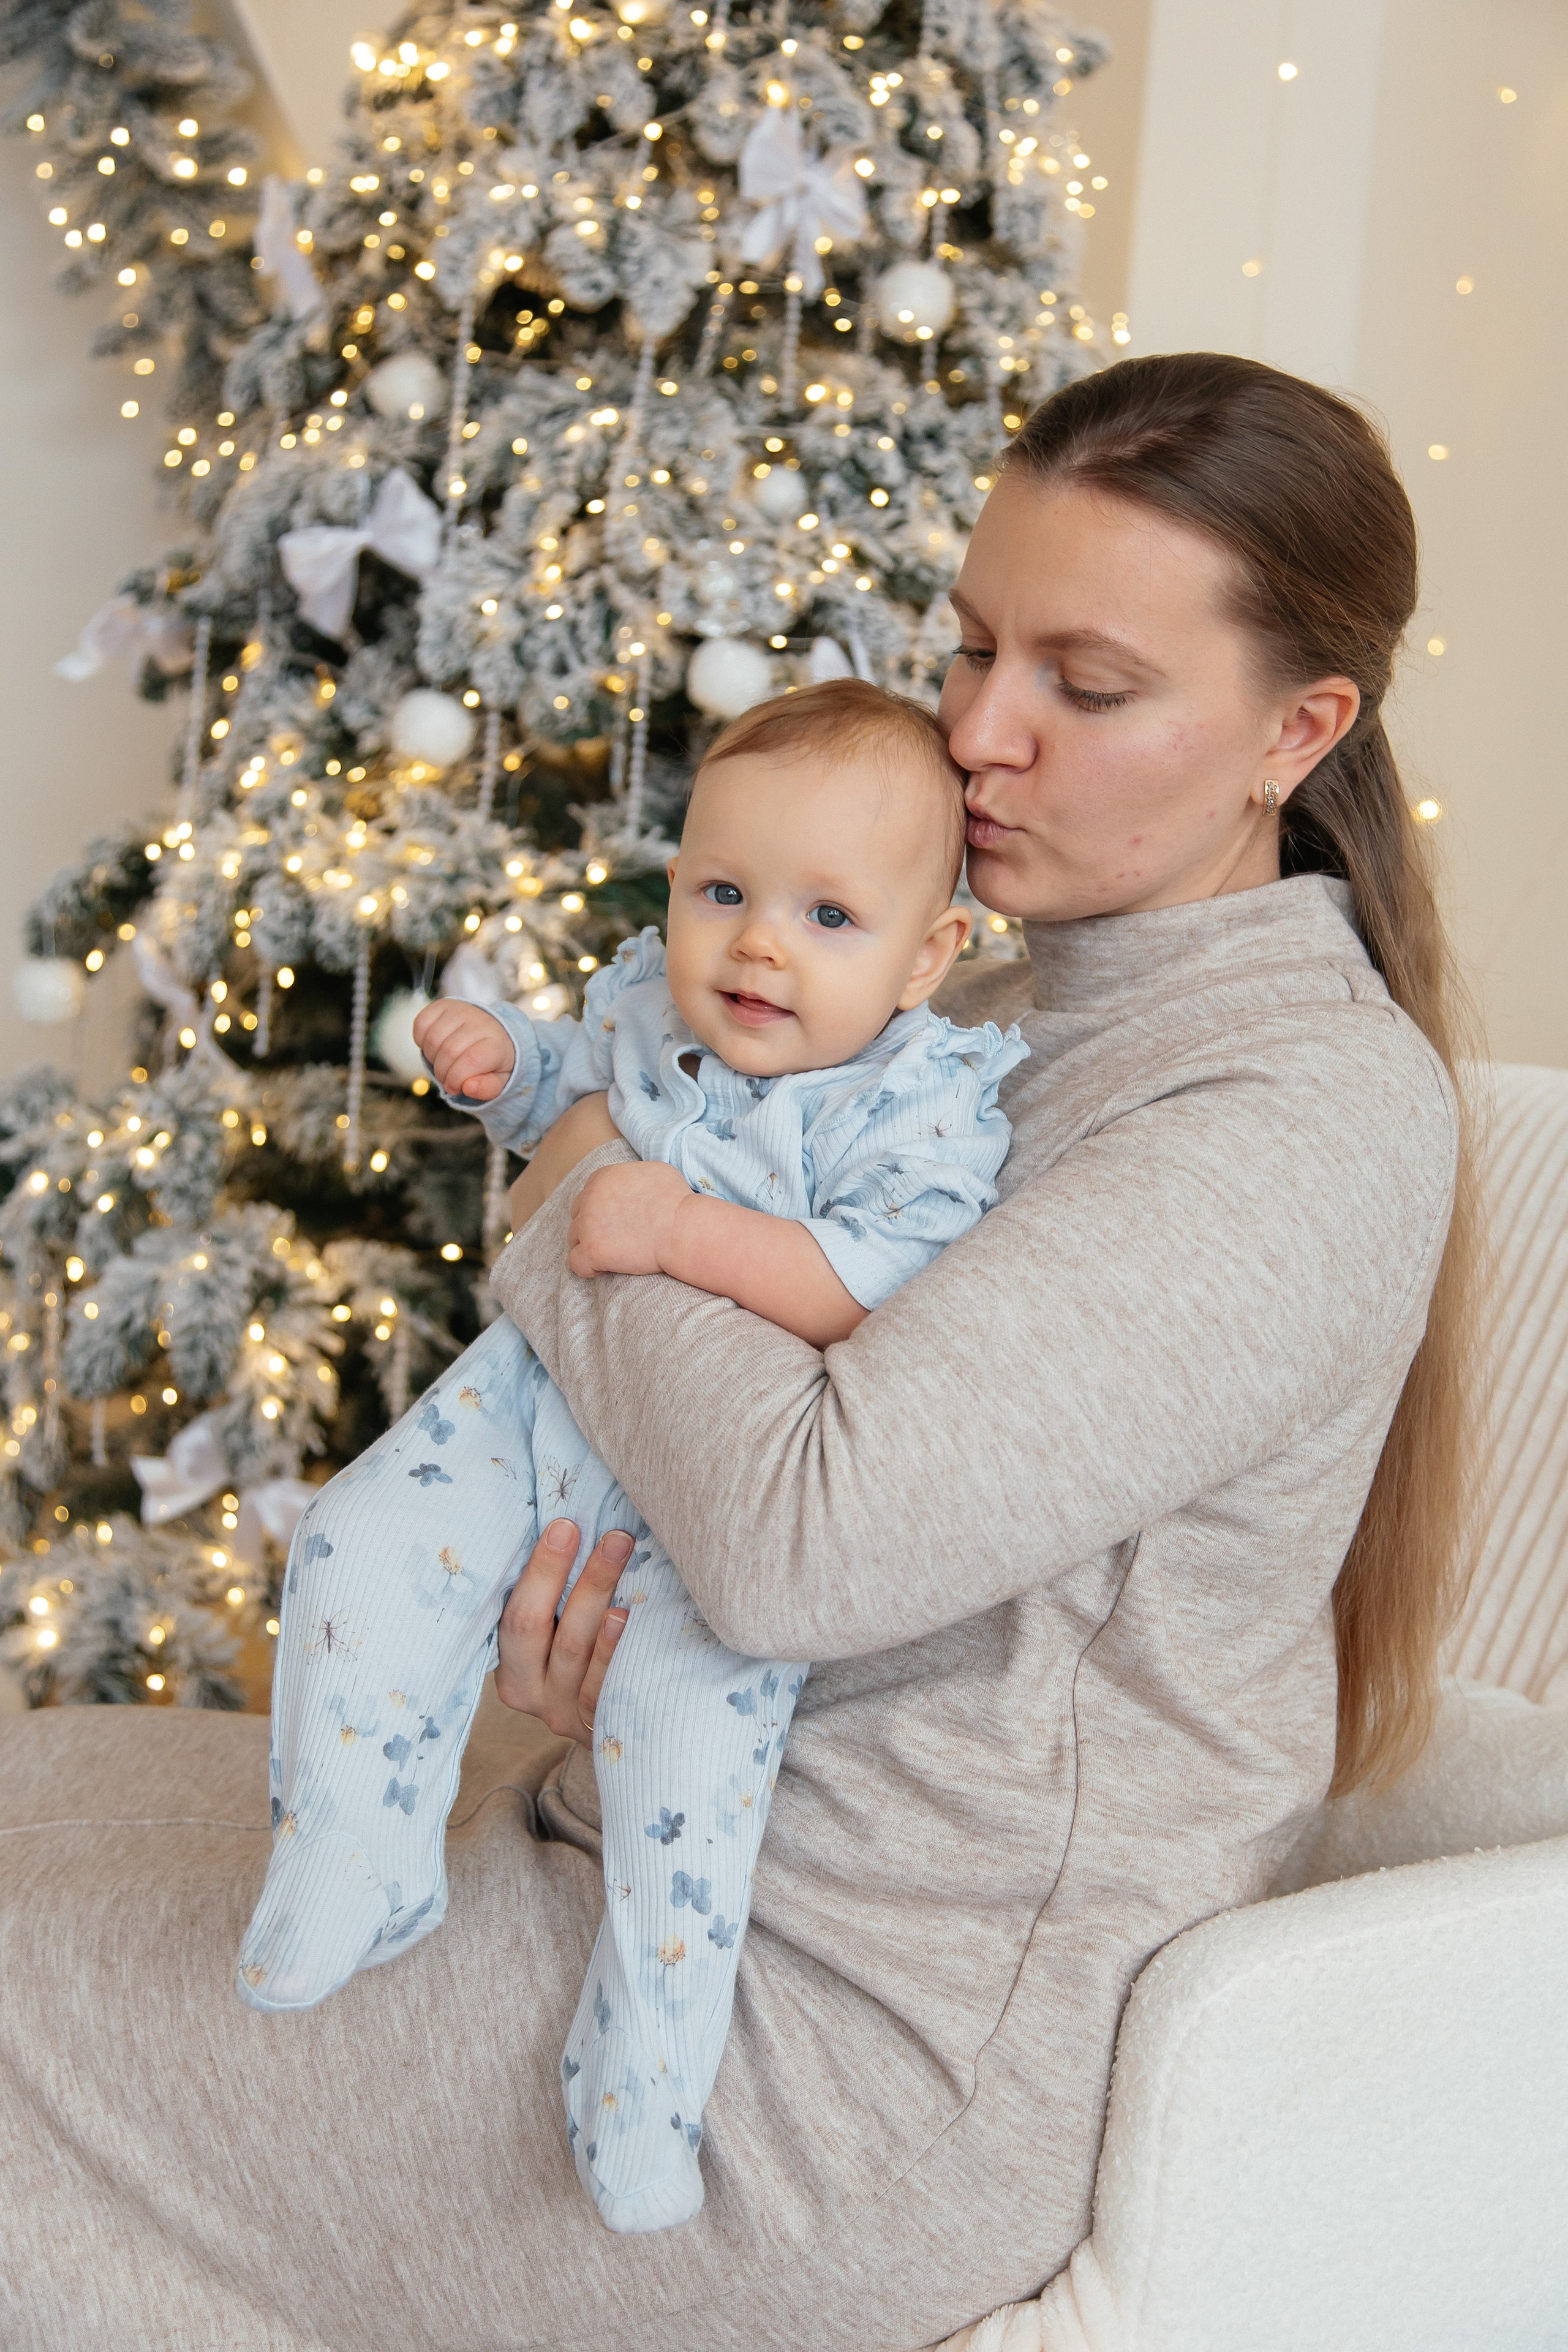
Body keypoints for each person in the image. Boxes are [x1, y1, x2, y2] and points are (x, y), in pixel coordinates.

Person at [0, 353, 1475, 2352]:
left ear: (1298, 732)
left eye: (1087, 687)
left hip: (827, 2073)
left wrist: (580, 1168)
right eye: (968, 648)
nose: (976, 737)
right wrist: (584, 1672)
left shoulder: (1283, 1122)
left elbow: (800, 1540)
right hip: (641, 1852)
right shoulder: (995, 997)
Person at [237, 681, 1025, 2236]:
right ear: (672, 887)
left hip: (707, 1515)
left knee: (687, 1774)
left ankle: (646, 2081)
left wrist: (672, 1227)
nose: (756, 946)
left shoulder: (923, 1103)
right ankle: (359, 1846)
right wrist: (499, 1066)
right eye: (722, 892)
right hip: (525, 1404)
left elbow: (869, 1282)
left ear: (927, 955)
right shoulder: (646, 1007)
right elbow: (560, 1090)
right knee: (355, 1545)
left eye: (826, 915)